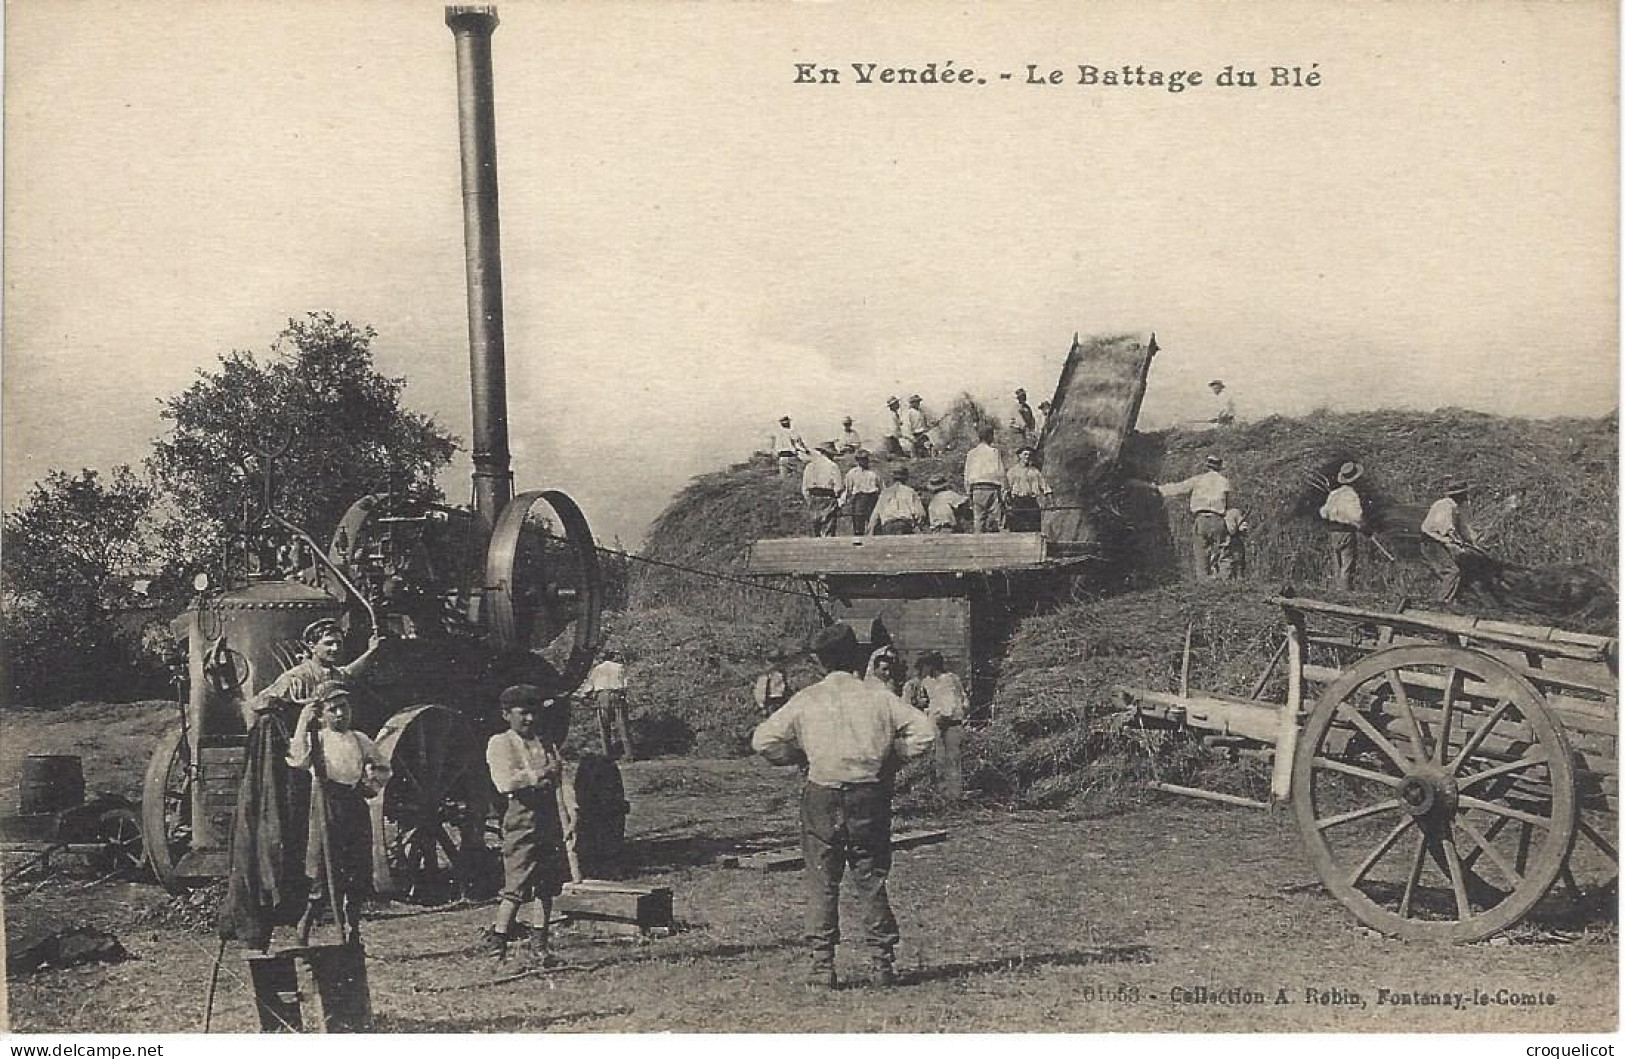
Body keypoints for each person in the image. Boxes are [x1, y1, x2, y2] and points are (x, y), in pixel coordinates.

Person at [751, 623, 936, 989]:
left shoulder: (807, 698)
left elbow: (763, 740)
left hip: (821, 793)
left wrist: (796, 755)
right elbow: (925, 734)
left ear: (820, 663)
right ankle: (882, 964)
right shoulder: (879, 697)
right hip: (869, 793)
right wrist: (893, 756)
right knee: (870, 877)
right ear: (857, 658)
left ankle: (822, 966)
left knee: (823, 880)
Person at [286, 680, 390, 946]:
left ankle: (352, 930)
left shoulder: (359, 739)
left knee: (357, 869)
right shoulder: (317, 739)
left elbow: (382, 766)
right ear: (321, 714)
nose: (341, 714)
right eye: (333, 710)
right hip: (325, 803)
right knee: (323, 870)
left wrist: (370, 786)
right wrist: (302, 723)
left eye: (344, 707)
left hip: (354, 804)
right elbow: (298, 760)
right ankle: (304, 930)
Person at [483, 685, 571, 963]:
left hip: (548, 817)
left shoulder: (544, 742)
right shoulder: (500, 743)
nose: (530, 720)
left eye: (534, 713)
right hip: (521, 817)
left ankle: (540, 945)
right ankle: (498, 945)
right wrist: (541, 773)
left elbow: (562, 777)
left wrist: (571, 811)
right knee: (517, 884)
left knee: (547, 885)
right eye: (523, 714)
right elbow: (504, 782)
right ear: (507, 714)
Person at [255, 618, 383, 724]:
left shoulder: (336, 674)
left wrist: (370, 651)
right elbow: (259, 703)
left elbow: (349, 672)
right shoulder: (296, 677)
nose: (335, 648)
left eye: (339, 643)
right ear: (312, 646)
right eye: (329, 643)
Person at [1152, 454, 1233, 579]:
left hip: (1201, 520)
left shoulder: (1198, 480)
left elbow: (1177, 488)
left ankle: (1203, 584)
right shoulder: (1225, 482)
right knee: (1222, 552)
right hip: (1218, 519)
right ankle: (1225, 582)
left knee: (1201, 554)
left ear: (1207, 466)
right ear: (1220, 467)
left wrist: (1157, 488)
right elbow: (1228, 504)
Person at [908, 652, 968, 802]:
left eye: (925, 666)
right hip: (941, 724)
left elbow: (950, 707)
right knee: (941, 761)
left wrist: (940, 720)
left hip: (948, 725)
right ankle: (944, 794)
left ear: (931, 666)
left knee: (950, 761)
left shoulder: (947, 681)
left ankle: (953, 796)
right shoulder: (932, 682)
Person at [1420, 482, 1488, 603]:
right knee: (1452, 571)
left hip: (1441, 541)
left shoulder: (1457, 507)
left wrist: (1475, 544)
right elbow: (1446, 529)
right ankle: (1442, 601)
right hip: (1432, 543)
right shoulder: (1444, 506)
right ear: (1458, 495)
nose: (1466, 497)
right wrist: (1457, 543)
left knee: (1463, 565)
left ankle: (1454, 598)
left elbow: (1464, 529)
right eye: (1464, 494)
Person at [1320, 461, 1366, 591]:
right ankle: (1345, 594)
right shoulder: (1351, 495)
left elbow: (1323, 512)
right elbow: (1356, 516)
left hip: (1333, 532)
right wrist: (1363, 527)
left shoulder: (1334, 494)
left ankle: (1337, 592)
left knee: (1337, 565)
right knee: (1347, 566)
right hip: (1346, 532)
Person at [581, 650, 635, 760]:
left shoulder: (597, 669)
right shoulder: (620, 667)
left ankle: (607, 754)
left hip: (602, 696)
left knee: (604, 727)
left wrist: (584, 695)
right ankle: (629, 754)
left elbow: (589, 685)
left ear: (602, 658)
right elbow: (625, 684)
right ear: (612, 657)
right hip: (617, 695)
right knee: (623, 725)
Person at [963, 423, 1006, 533]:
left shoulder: (971, 453)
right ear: (990, 436)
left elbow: (967, 475)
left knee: (978, 520)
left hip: (976, 489)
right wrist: (1004, 491)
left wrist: (969, 493)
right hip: (992, 488)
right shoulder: (994, 452)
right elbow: (1001, 473)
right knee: (997, 520)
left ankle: (977, 545)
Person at [1005, 445, 1052, 532]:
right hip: (1018, 502)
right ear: (1019, 456)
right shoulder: (1012, 471)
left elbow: (1044, 485)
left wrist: (1049, 497)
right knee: (1017, 527)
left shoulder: (1035, 471)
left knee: (1034, 526)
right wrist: (1008, 501)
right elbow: (1007, 488)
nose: (1027, 457)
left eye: (1029, 455)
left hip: (1031, 501)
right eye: (1025, 454)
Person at [802, 442, 845, 537]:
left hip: (814, 498)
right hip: (828, 498)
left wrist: (809, 501)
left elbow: (805, 488)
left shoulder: (810, 466)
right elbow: (838, 487)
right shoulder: (833, 466)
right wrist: (838, 501)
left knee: (815, 528)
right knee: (828, 529)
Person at [867, 466, 926, 535]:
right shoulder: (910, 491)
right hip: (905, 525)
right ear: (906, 478)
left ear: (893, 478)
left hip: (888, 526)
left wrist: (870, 533)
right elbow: (921, 514)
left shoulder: (885, 493)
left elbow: (875, 516)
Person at [843, 449, 882, 536]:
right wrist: (844, 501)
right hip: (858, 499)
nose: (864, 461)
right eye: (861, 459)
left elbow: (881, 488)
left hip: (872, 499)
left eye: (865, 458)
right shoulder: (852, 473)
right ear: (857, 460)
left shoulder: (874, 473)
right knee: (858, 524)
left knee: (874, 524)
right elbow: (848, 489)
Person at [753, 648, 792, 718]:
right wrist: (762, 705)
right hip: (771, 701)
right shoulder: (766, 676)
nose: (778, 663)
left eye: (780, 661)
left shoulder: (782, 673)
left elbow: (785, 686)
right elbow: (761, 691)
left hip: (782, 700)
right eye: (775, 661)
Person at [1218, 507, 1250, 580]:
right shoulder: (1232, 512)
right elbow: (1243, 527)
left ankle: (1234, 578)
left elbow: (1243, 527)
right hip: (1226, 540)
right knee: (1229, 560)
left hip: (1232, 539)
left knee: (1236, 560)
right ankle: (1228, 578)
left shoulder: (1234, 512)